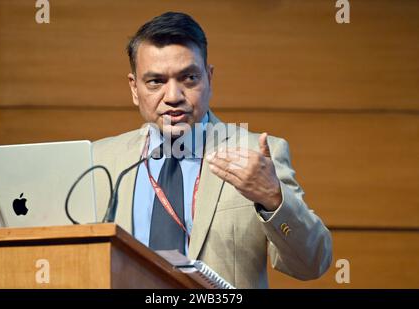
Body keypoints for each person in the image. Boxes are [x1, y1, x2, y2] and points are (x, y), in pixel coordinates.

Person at [93, 12, 332, 288]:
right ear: (135, 88)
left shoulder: (258, 155)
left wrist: (273, 199)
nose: (173, 97)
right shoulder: (100, 161)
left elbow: (313, 263)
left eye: (189, 78)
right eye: (155, 82)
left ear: (209, 78)